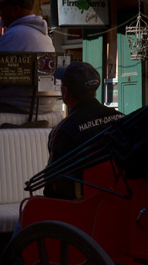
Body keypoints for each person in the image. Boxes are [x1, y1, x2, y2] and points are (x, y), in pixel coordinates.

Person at [45, 62, 122, 198]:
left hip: (82, 207)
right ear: (94, 91)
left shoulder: (64, 130)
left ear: (65, 92)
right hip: (120, 199)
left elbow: (54, 184)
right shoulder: (122, 119)